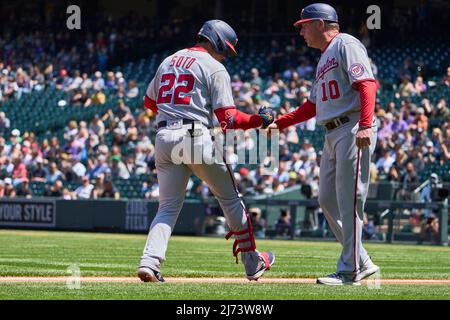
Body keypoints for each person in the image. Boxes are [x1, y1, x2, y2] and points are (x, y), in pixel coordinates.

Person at [138, 19, 275, 283]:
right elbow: (230, 120)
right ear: (217, 41)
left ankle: (149, 263)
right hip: (194, 135)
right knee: (231, 199)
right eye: (226, 50)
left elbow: (148, 101)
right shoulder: (214, 67)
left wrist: (175, 115)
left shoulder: (169, 60)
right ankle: (252, 262)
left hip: (164, 135)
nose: (226, 55)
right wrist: (261, 120)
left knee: (166, 207)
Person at [267, 3, 379, 285]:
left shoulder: (346, 44)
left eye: (304, 25)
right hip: (331, 132)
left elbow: (367, 84)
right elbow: (312, 106)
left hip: (352, 126)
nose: (301, 31)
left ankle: (349, 269)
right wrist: (280, 123)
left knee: (349, 200)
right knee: (326, 199)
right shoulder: (323, 58)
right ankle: (361, 260)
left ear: (320, 23)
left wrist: (365, 125)